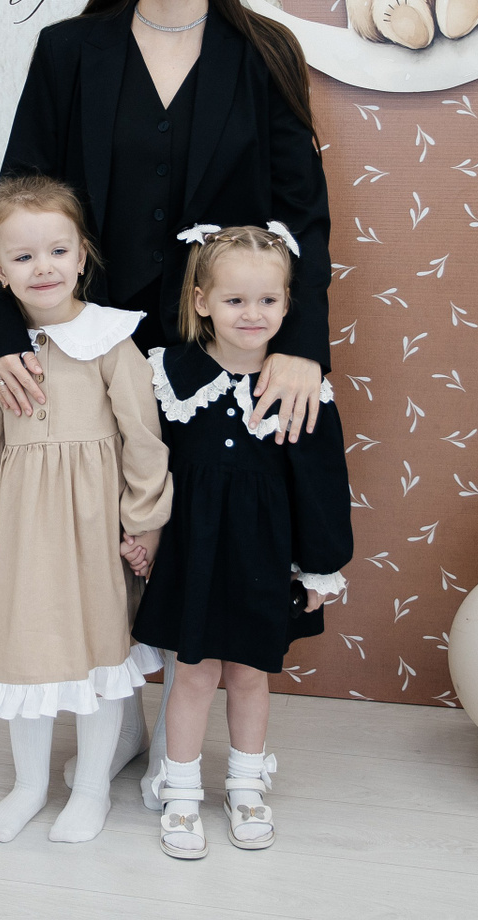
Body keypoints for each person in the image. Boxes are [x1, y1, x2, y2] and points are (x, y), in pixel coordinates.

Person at [0, 0, 334, 793]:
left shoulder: (267, 52)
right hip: (89, 343)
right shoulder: (70, 52)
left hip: (222, 351)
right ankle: (119, 728)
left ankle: (187, 748)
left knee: (194, 534)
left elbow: (304, 214)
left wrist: (300, 345)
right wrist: (2, 336)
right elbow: (18, 198)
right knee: (101, 534)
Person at [0, 175, 174, 845]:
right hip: (26, 528)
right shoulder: (1, 354)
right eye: (22, 257)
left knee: (102, 658)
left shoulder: (111, 340)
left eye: (56, 251)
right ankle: (29, 786)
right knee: (26, 655)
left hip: (95, 527)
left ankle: (93, 788)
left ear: (81, 256)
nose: (41, 268)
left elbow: (144, 439)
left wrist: (144, 522)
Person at [130, 225, 354, 859]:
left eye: (268, 300)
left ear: (287, 304)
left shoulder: (303, 389)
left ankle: (246, 786)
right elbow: (144, 464)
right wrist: (142, 531)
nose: (252, 314)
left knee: (252, 676)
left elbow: (320, 484)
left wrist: (318, 569)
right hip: (193, 554)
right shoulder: (169, 374)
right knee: (193, 676)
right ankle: (180, 790)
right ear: (202, 301)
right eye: (234, 300)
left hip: (263, 559)